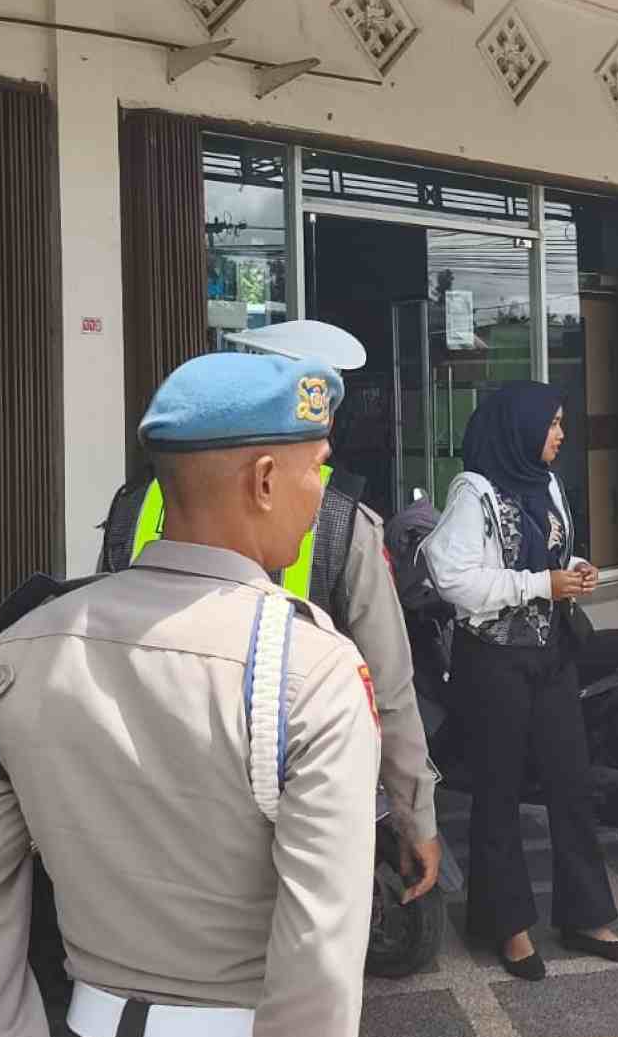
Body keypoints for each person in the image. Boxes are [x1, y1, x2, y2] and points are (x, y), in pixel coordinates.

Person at [0, 352, 379, 1037]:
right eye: (317, 469)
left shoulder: (23, 646)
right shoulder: (309, 670)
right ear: (265, 480)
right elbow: (318, 960)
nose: (323, 495)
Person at [101, 319, 440, 910]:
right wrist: (416, 813)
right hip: (291, 806)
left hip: (153, 799)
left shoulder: (133, 505)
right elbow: (388, 686)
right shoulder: (343, 519)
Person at [421, 381, 618, 980]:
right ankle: (508, 926)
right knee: (499, 790)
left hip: (551, 653)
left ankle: (586, 916)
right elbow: (453, 579)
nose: (561, 435)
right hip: (494, 662)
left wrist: (575, 570)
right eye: (552, 424)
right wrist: (541, 585)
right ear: (519, 427)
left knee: (572, 782)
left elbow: (553, 552)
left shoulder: (546, 483)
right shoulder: (475, 492)